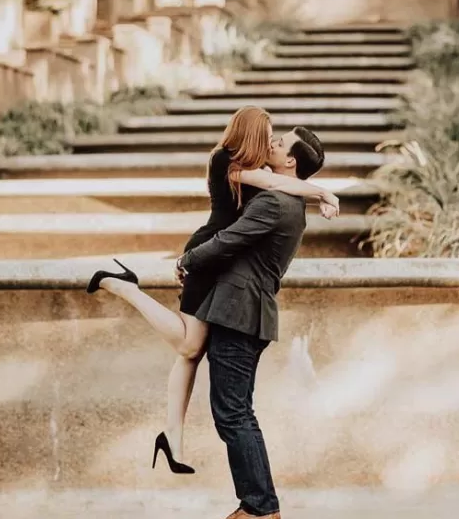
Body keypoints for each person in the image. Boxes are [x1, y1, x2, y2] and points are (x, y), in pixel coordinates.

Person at [85, 107, 338, 473]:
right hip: (207, 252)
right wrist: (324, 192)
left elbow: (282, 183)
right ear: (249, 132)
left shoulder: (259, 171)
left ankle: (173, 439)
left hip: (217, 263)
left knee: (190, 352)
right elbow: (277, 184)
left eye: (277, 140)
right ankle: (126, 287)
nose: (271, 140)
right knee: (189, 346)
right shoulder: (227, 161)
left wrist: (321, 195)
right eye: (268, 134)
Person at [174, 126, 324, 519]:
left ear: (290, 161)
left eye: (279, 143)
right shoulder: (288, 201)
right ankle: (258, 505)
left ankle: (260, 508)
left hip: (240, 313)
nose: (271, 144)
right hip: (245, 313)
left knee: (233, 412)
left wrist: (186, 260)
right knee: (236, 410)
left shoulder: (275, 203)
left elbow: (228, 240)